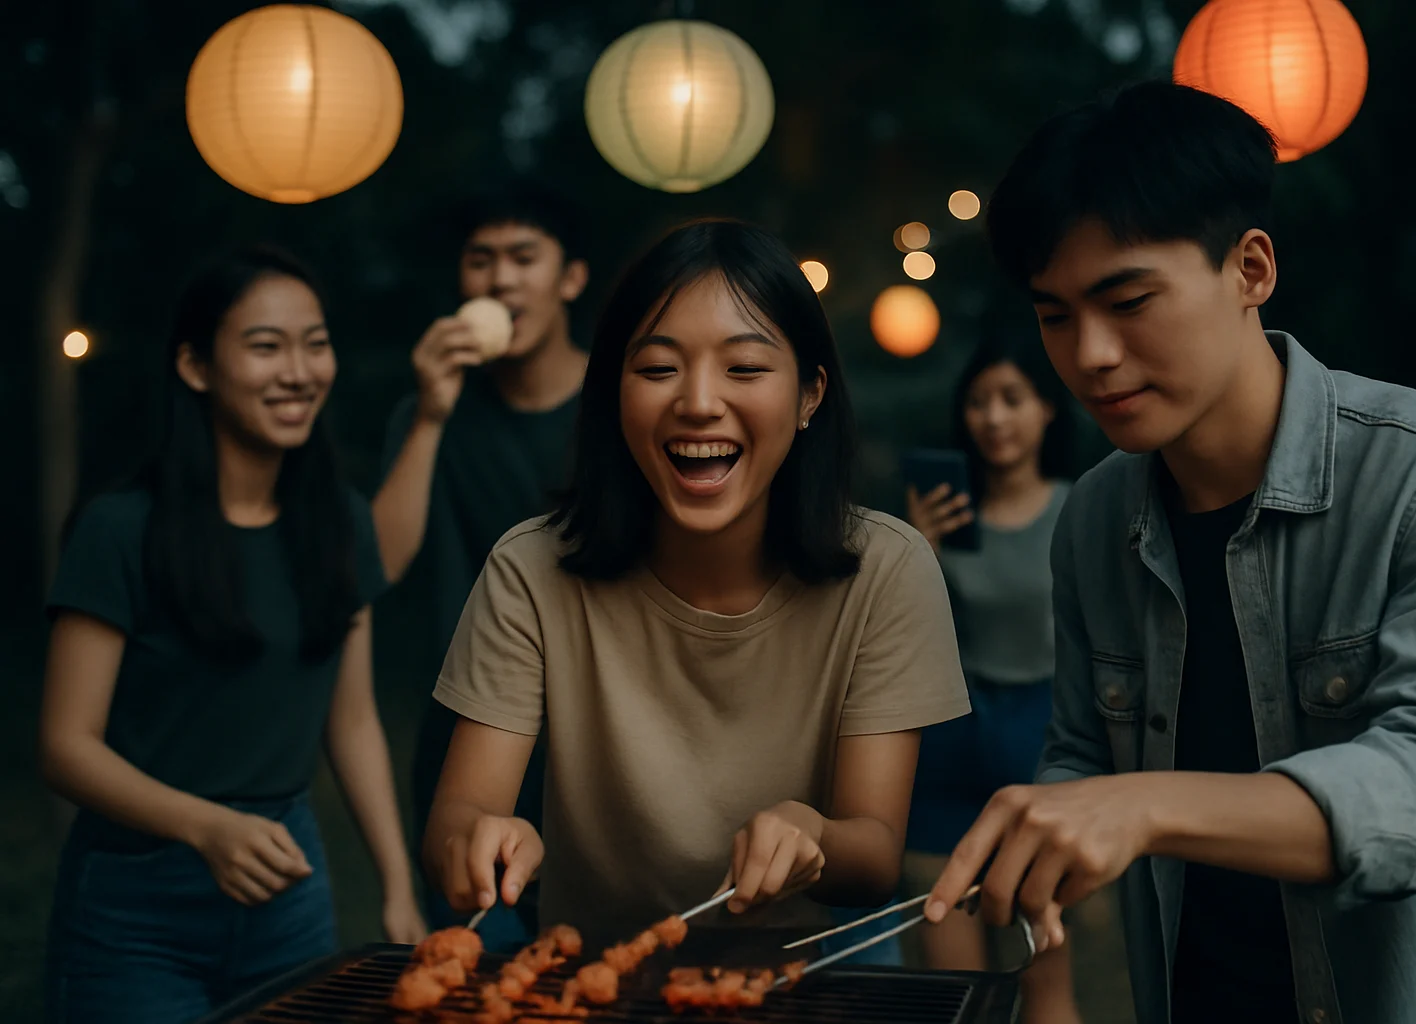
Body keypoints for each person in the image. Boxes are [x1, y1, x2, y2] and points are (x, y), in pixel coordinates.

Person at [923, 80, 1416, 1024]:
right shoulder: (1094, 518)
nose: (1090, 354)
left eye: (1128, 300)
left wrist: (1144, 807)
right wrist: (1046, 833)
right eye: (1055, 316)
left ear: (1251, 268)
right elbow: (1082, 752)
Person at [420, 219, 972, 944]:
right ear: (614, 393)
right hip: (594, 973)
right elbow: (456, 819)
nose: (699, 402)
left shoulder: (888, 568)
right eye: (658, 369)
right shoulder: (530, 569)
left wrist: (815, 836)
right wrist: (475, 839)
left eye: (744, 368)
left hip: (813, 970)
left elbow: (873, 859)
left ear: (809, 396)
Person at [39, 247, 426, 1024]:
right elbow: (65, 745)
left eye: (315, 344)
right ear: (195, 366)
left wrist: (396, 884)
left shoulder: (339, 524)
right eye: (265, 346)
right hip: (136, 905)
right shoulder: (121, 529)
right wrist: (203, 826)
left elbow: (351, 720)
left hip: (289, 885)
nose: (299, 372)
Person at [372, 181, 590, 945]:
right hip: (465, 751)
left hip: (597, 752)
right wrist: (431, 413)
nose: (500, 280)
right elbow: (378, 564)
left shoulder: (624, 405)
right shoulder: (428, 412)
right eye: (480, 260)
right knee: (478, 977)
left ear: (570, 278)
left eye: (524, 258)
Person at [902, 323, 1074, 973]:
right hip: (950, 735)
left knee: (1042, 976)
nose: (993, 418)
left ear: (1046, 407)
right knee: (953, 982)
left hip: (1039, 734)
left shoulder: (1077, 509)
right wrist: (918, 550)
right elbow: (902, 639)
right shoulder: (944, 515)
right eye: (978, 402)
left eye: (1011, 398)